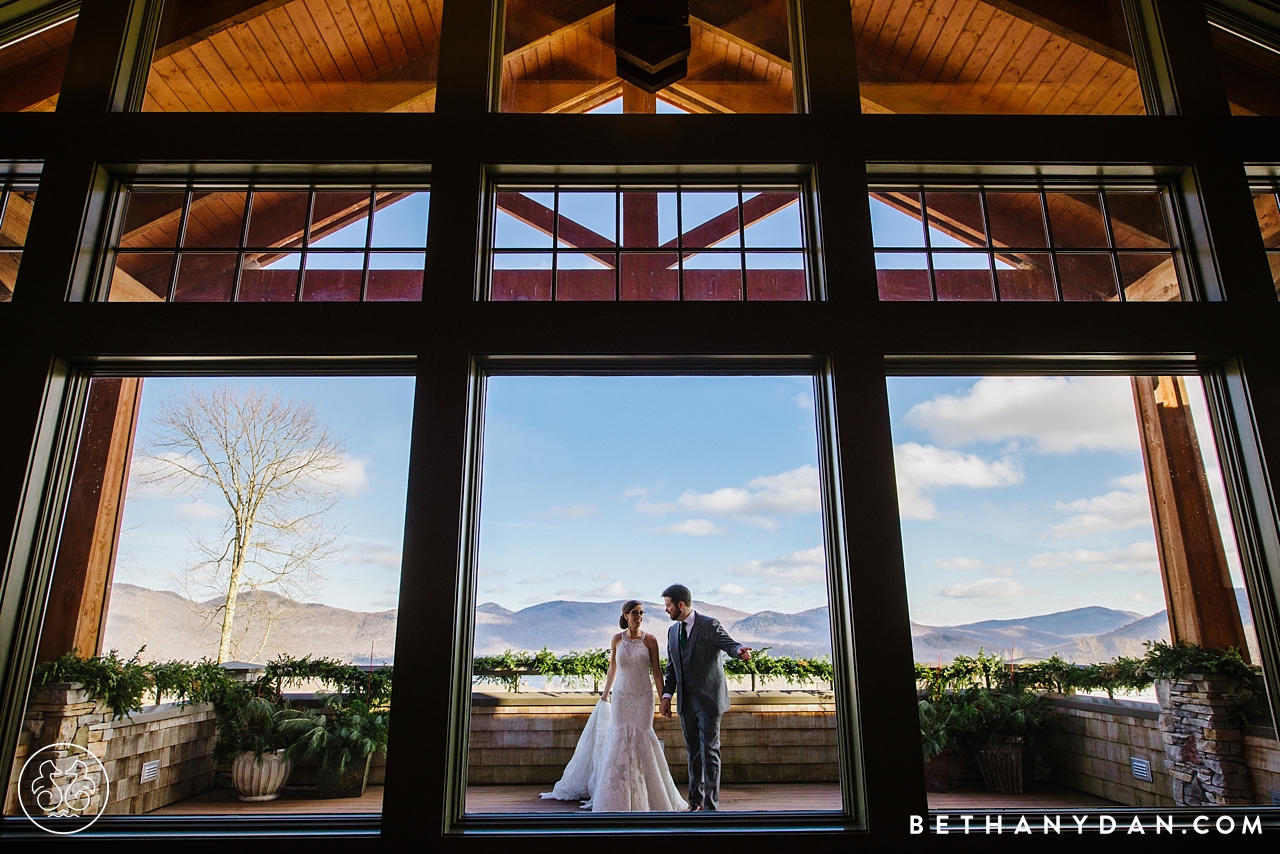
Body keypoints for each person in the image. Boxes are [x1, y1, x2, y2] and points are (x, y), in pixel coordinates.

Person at [541, 600, 687, 811]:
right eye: (635, 613)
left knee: (643, 737)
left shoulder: (651, 641)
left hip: (643, 696)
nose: (639, 616)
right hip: (621, 695)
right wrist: (605, 694)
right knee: (619, 738)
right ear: (626, 615)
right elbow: (613, 668)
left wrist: (664, 697)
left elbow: (656, 672)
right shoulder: (617, 640)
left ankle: (649, 798)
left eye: (642, 613)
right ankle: (615, 798)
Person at [659, 583, 751, 812]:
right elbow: (672, 668)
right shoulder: (672, 632)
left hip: (709, 700)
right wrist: (666, 696)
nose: (666, 610)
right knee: (693, 752)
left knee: (710, 751)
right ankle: (695, 803)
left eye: (668, 606)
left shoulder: (710, 625)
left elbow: (729, 644)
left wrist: (739, 651)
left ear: (680, 605)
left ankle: (711, 807)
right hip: (685, 702)